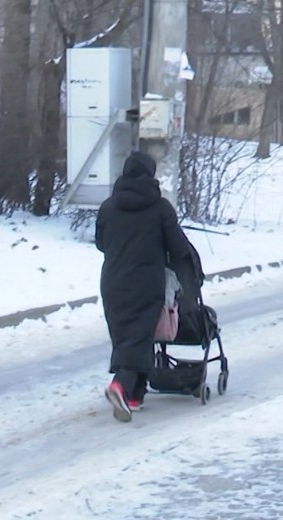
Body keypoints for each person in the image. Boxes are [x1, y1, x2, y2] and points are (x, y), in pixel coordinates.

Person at [94, 151, 192, 423]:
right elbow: (178, 247)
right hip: (147, 283)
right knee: (140, 338)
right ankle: (120, 385)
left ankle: (136, 395)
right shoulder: (160, 207)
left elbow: (100, 243)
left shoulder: (108, 207)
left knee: (125, 337)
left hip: (113, 281)